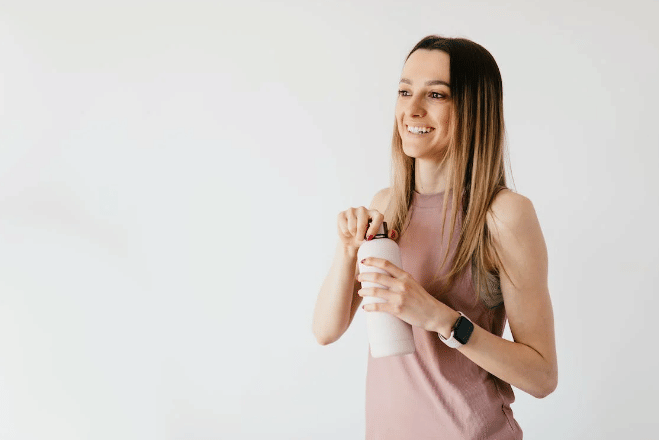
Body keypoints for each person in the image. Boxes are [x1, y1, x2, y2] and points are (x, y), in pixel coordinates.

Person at [312, 35, 558, 439]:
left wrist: (440, 318)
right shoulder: (387, 205)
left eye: (436, 94)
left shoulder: (503, 215)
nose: (412, 109)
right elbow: (326, 330)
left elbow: (542, 376)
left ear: (473, 109)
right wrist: (347, 250)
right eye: (404, 91)